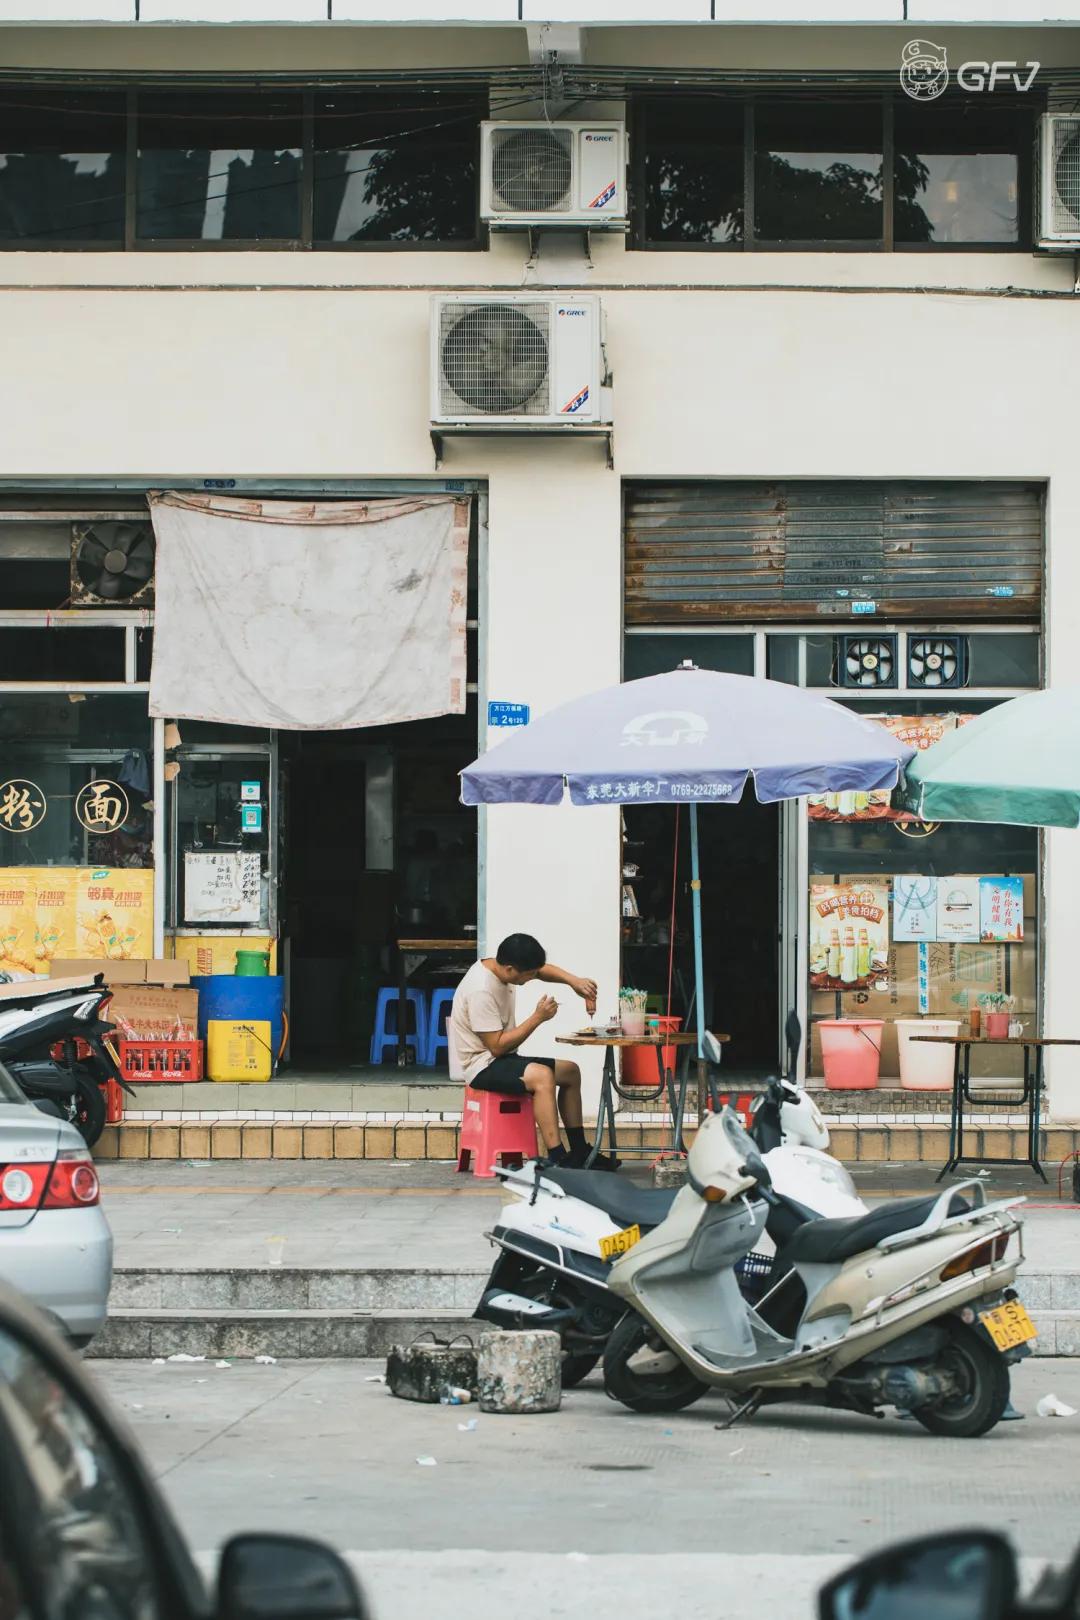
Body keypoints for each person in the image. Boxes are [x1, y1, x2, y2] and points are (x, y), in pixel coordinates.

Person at [448, 932, 611, 1169]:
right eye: (529, 975)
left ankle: (580, 1151)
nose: (533, 978)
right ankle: (557, 1157)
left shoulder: (502, 968)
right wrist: (538, 1018)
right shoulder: (480, 990)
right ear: (511, 969)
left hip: (504, 1058)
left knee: (570, 1072)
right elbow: (496, 1047)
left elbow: (541, 970)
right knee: (542, 1076)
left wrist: (574, 982)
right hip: (482, 1066)